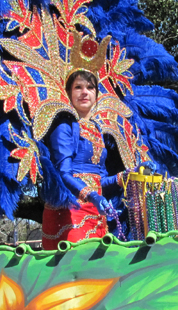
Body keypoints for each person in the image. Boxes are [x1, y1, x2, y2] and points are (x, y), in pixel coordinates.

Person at [41, 71, 124, 250]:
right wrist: (91, 195)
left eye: (90, 87)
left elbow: (98, 179)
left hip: (96, 212)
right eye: (78, 87)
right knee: (73, 271)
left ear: (96, 94)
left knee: (97, 271)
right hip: (70, 211)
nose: (84, 92)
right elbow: (63, 173)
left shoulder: (98, 130)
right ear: (69, 93)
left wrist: (124, 177)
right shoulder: (64, 125)